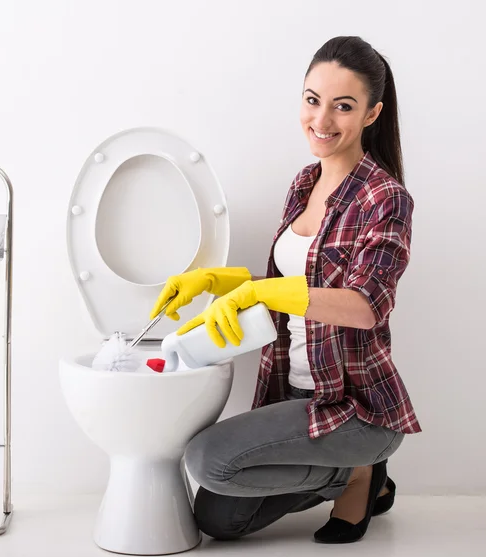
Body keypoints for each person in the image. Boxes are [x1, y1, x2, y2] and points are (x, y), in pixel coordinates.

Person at [149, 36, 421, 544]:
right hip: (292, 393)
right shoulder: (304, 183)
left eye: (344, 106)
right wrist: (214, 280)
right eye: (312, 99)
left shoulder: (385, 198)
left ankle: (358, 471)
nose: (322, 119)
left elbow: (366, 308)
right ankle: (352, 476)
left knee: (206, 459)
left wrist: (264, 295)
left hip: (353, 406)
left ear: (371, 113)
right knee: (218, 519)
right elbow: (284, 285)